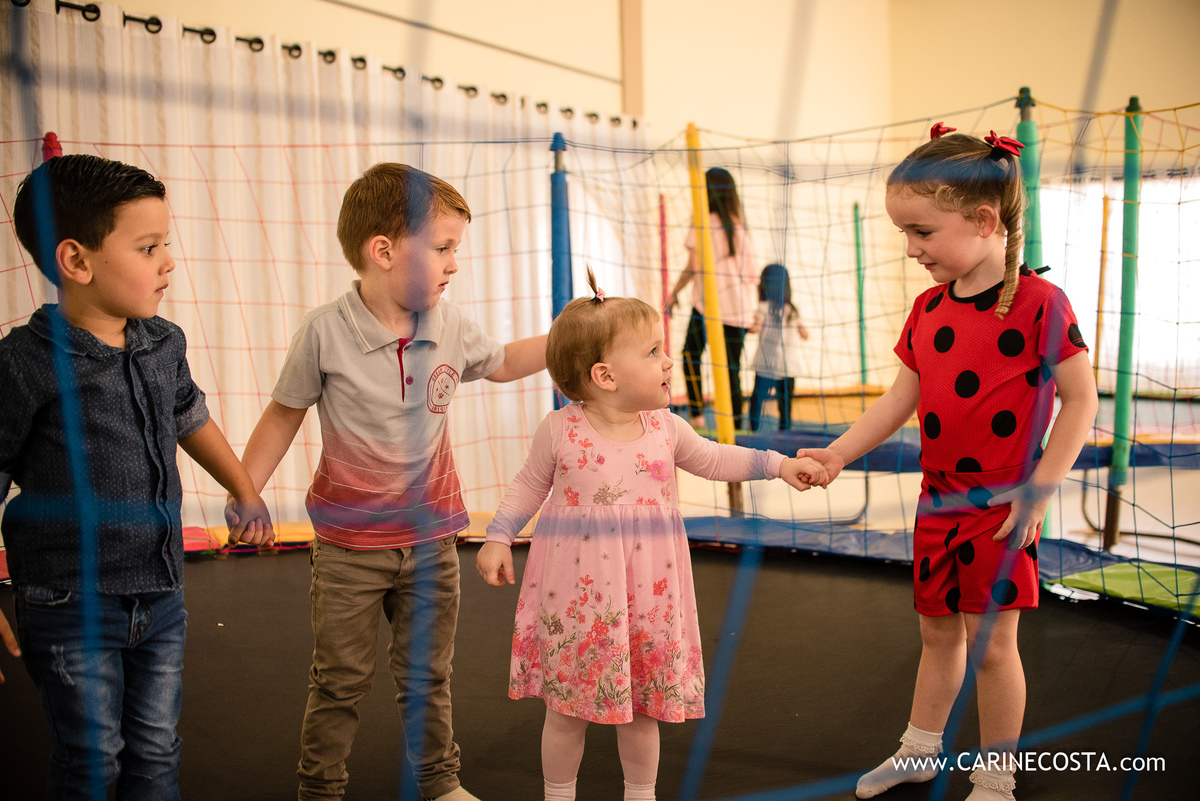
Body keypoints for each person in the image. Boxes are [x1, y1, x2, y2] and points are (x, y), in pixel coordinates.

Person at [797, 126, 1098, 801]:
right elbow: (899, 398)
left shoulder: (1039, 305)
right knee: (938, 633)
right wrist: (840, 453)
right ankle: (919, 752)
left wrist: (1039, 494)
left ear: (984, 221)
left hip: (1001, 508)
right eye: (906, 232)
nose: (911, 248)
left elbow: (1081, 400)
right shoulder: (928, 310)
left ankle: (996, 776)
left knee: (992, 646)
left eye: (922, 231)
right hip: (939, 501)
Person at [231, 163, 547, 801]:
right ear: (383, 252)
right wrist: (246, 489)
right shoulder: (325, 333)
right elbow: (284, 414)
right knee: (340, 680)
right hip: (349, 548)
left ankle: (440, 782)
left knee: (428, 676)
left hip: (431, 543)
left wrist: (567, 334)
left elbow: (507, 361)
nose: (454, 263)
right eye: (442, 248)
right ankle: (319, 789)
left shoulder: (451, 325)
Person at [476, 269, 827, 801]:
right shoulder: (561, 431)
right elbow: (528, 486)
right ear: (605, 375)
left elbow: (715, 458)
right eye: (653, 352)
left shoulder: (666, 428)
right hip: (579, 603)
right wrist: (500, 534)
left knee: (642, 708)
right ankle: (557, 793)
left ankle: (641, 794)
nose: (668, 361)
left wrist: (776, 465)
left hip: (647, 600)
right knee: (566, 711)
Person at [0, 154, 274, 799]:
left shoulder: (162, 342)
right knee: (92, 760)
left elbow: (190, 416)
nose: (168, 262)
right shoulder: (24, 364)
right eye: (149, 247)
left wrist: (244, 488)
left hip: (159, 594)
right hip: (69, 601)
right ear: (76, 261)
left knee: (154, 749)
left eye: (166, 245)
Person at [666, 167, 758, 429]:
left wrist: (674, 293)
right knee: (732, 369)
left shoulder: (703, 222)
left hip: (708, 305)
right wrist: (751, 313)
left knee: (690, 355)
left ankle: (696, 416)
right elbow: (751, 275)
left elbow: (693, 267)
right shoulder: (738, 227)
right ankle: (737, 425)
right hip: (736, 307)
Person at [747, 263, 810, 431]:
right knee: (785, 404)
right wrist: (803, 333)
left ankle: (753, 430)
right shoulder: (791, 310)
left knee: (758, 400)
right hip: (787, 366)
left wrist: (745, 328)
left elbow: (756, 327)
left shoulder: (763, 307)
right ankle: (785, 431)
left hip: (765, 365)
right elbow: (804, 333)